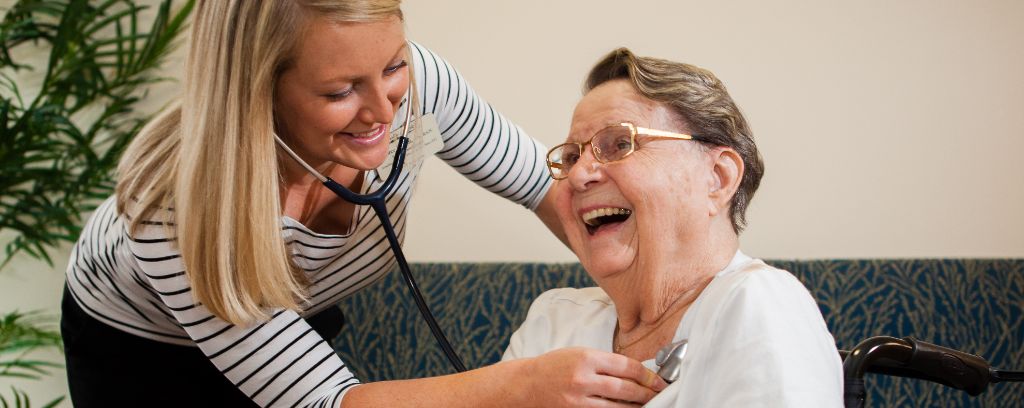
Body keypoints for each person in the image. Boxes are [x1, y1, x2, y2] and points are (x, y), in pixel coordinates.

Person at [60, 2, 666, 407]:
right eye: (340, 91)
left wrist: (667, 292)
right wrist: (521, 386)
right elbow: (329, 402)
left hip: (285, 311)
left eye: (393, 65)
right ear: (258, 91)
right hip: (143, 352)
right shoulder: (175, 209)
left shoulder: (418, 90)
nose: (384, 110)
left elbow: (551, 187)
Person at [502, 48, 844, 406]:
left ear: (718, 177)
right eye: (571, 157)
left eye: (620, 143)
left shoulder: (758, 304)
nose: (578, 175)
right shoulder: (554, 320)